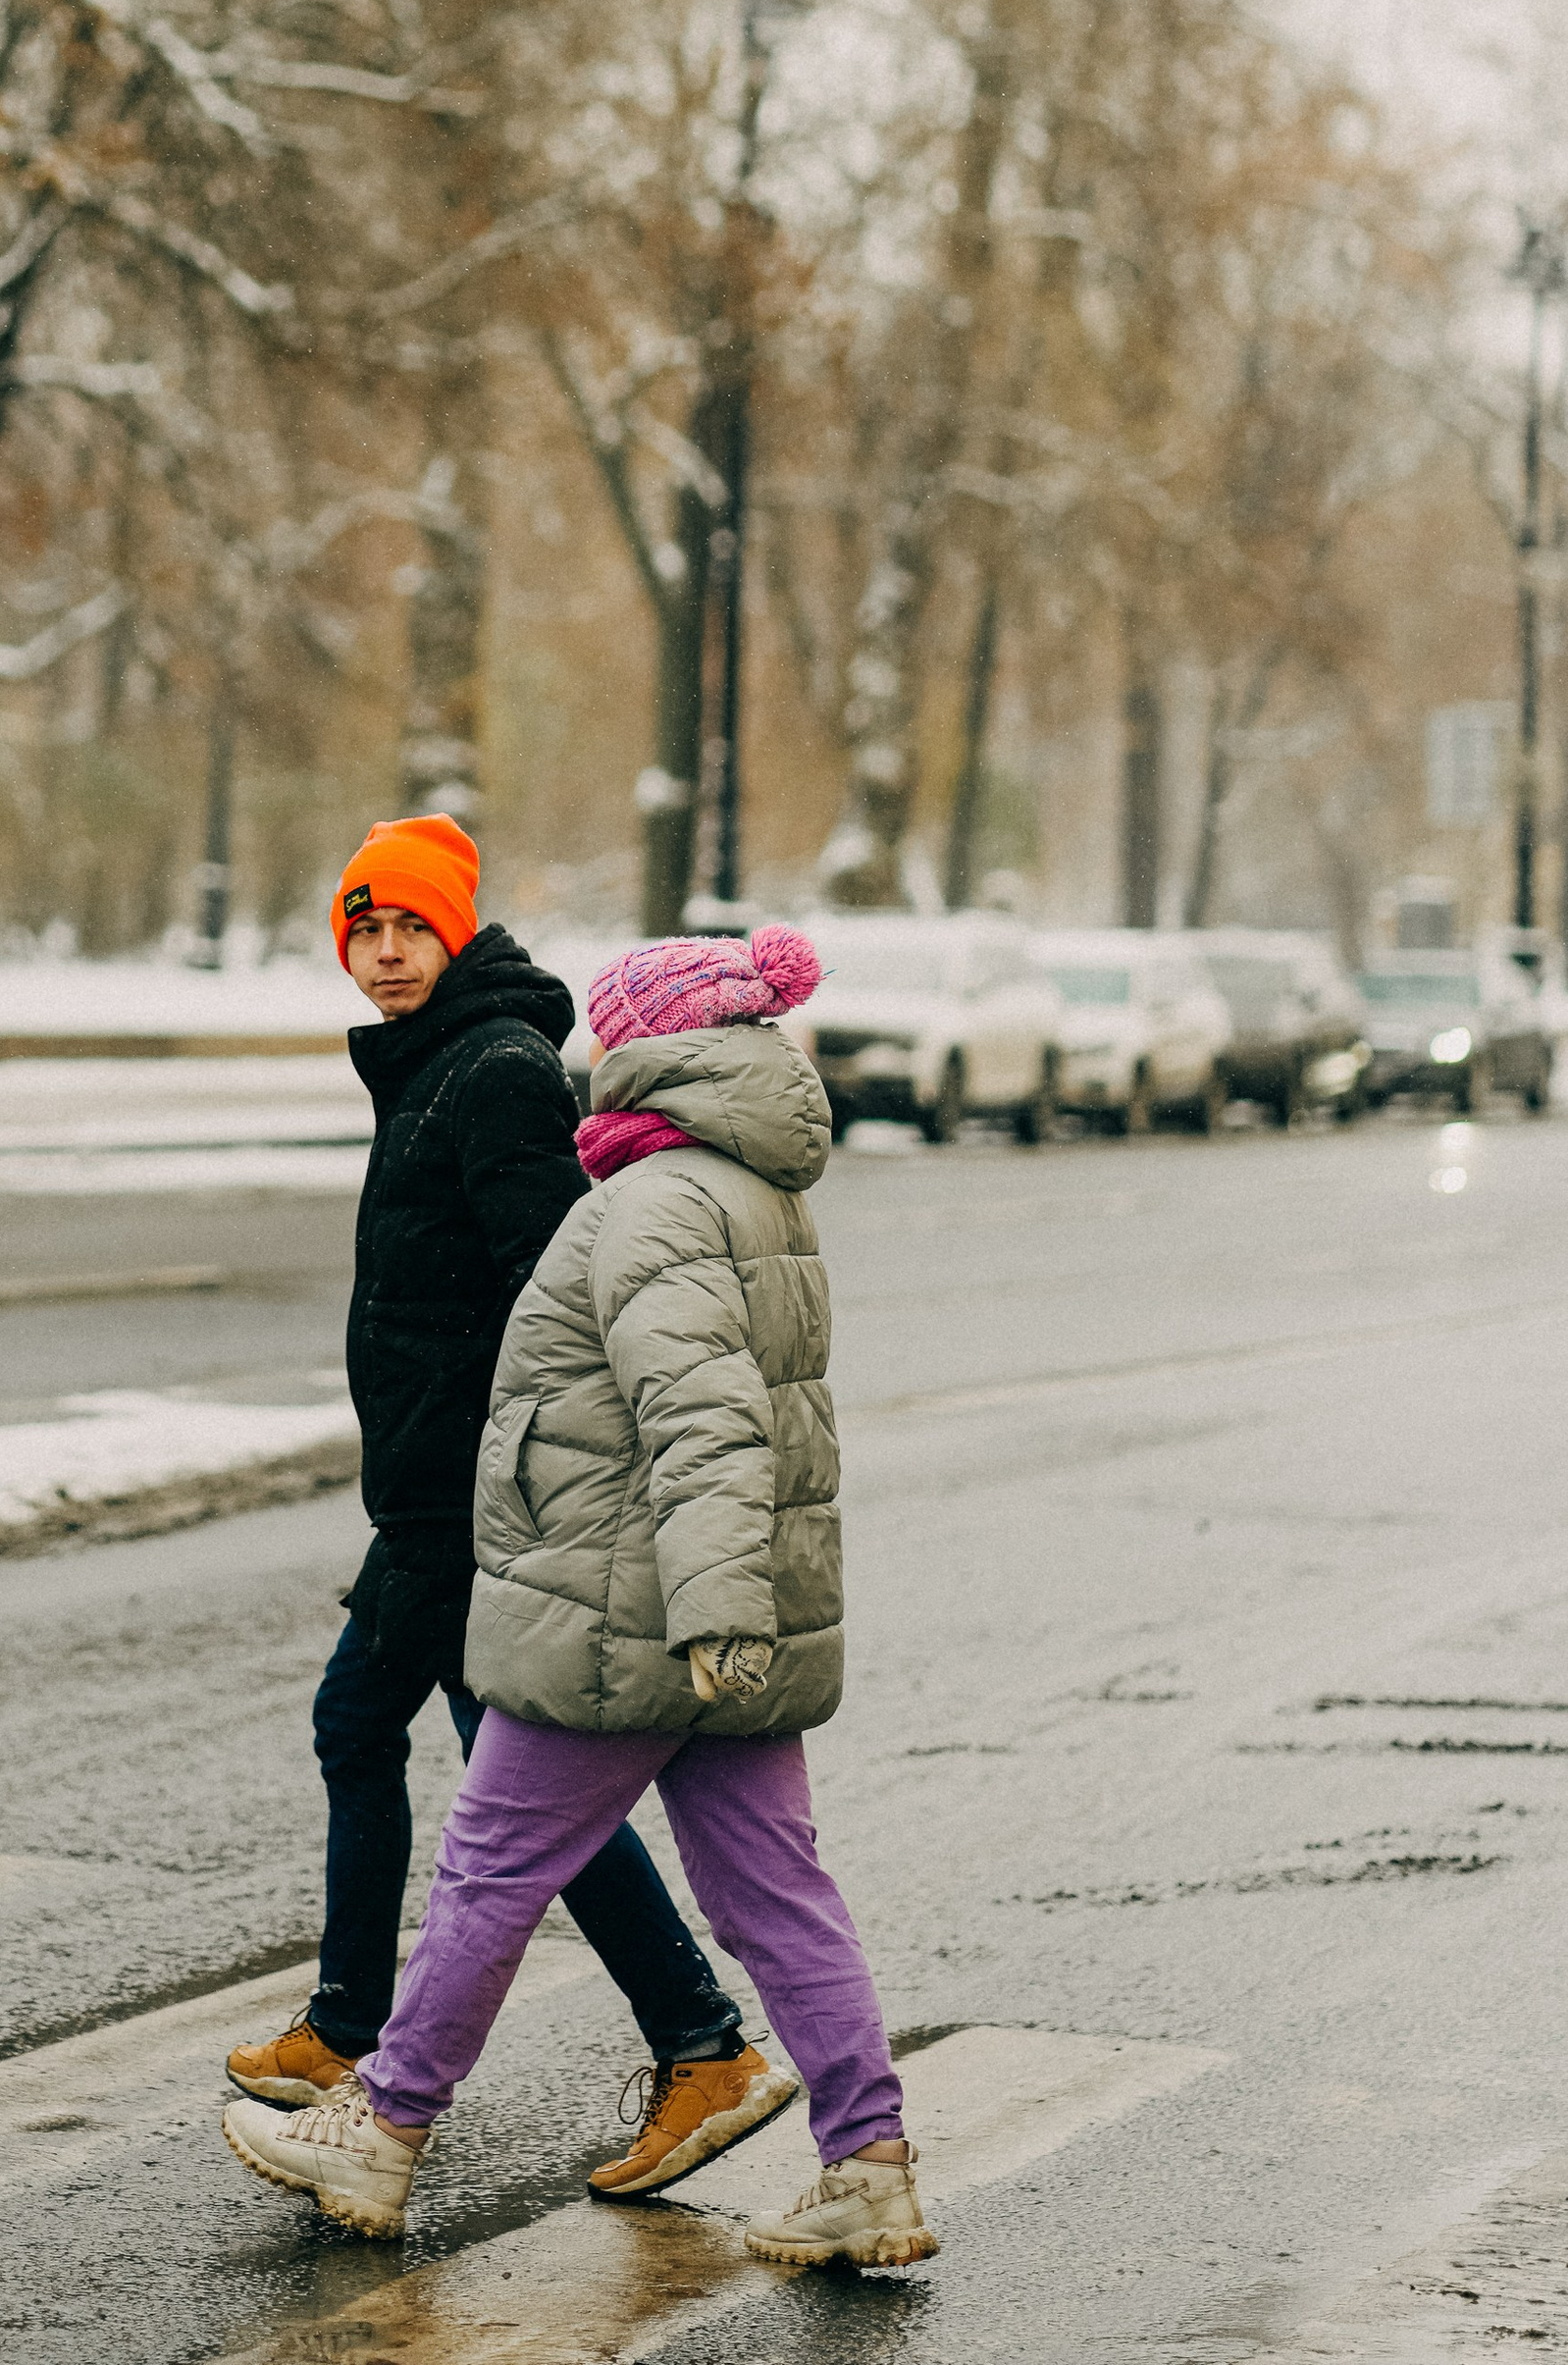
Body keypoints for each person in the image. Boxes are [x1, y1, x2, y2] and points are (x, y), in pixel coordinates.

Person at [223, 921, 936, 2274]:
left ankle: (384, 2121)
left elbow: (708, 1418)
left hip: (634, 1604)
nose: (594, 1053)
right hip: (709, 1602)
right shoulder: (746, 1187)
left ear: (655, 1046)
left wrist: (714, 1612)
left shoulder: (657, 1202)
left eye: (612, 1031)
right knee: (775, 1892)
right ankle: (868, 2165)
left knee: (492, 1864)